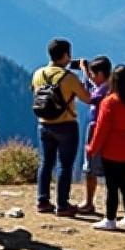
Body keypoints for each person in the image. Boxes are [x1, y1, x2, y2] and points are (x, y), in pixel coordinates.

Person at [31, 38, 92, 216]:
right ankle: (62, 204)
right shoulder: (68, 77)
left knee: (45, 163)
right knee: (65, 166)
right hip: (66, 124)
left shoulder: (38, 74)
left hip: (43, 124)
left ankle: (42, 201)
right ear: (66, 55)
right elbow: (87, 98)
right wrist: (85, 74)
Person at [86, 64, 125, 231]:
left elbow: (101, 129)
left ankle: (110, 219)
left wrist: (92, 148)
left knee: (111, 185)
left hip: (112, 149)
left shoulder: (109, 102)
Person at [75, 56, 112, 215]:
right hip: (104, 130)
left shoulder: (106, 90)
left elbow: (90, 98)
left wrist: (83, 74)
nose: (91, 77)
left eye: (93, 74)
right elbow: (91, 90)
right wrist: (85, 72)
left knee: (90, 166)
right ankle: (95, 202)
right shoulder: (108, 86)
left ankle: (89, 202)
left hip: (98, 129)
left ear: (102, 74)